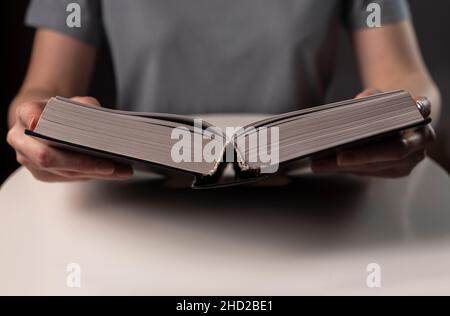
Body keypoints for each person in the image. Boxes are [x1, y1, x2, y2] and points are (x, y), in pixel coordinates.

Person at [6, 0, 441, 182]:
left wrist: (404, 115)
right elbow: (45, 90)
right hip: (136, 198)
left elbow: (407, 78)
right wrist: (35, 125)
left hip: (310, 197)